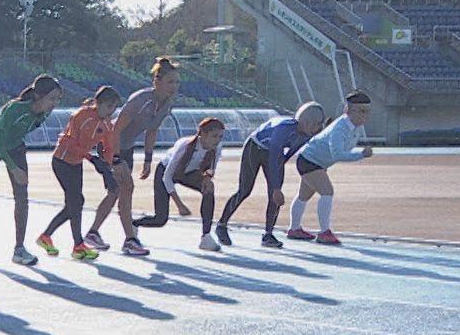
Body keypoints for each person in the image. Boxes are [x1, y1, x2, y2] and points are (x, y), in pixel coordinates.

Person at [83, 55, 181, 257]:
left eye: (177, 82)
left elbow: (152, 131)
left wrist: (147, 159)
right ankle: (129, 239)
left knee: (116, 192)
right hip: (110, 144)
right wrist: (116, 158)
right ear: (157, 81)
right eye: (170, 82)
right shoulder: (141, 100)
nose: (174, 86)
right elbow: (115, 130)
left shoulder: (167, 104)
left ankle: (94, 233)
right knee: (126, 188)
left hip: (126, 148)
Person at [0, 75, 63, 265]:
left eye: (58, 100)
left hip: (15, 145)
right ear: (38, 96)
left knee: (22, 197)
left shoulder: (44, 113)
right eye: (52, 98)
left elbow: (22, 132)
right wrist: (14, 168)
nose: (55, 104)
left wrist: (17, 163)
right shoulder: (15, 109)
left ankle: (19, 249)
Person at [212, 102, 325, 248]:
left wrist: (276, 184)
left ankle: (268, 234)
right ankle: (222, 224)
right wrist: (276, 186)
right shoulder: (283, 128)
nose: (317, 129)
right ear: (306, 122)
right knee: (245, 189)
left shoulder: (306, 134)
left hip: (272, 153)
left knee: (275, 196)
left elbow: (286, 156)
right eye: (316, 125)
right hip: (255, 147)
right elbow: (274, 154)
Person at [38, 84, 125, 261]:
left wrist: (107, 171)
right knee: (76, 201)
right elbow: (68, 142)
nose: (112, 111)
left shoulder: (106, 124)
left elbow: (107, 148)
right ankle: (77, 245)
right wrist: (91, 159)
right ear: (97, 103)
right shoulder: (81, 116)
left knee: (75, 202)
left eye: (114, 107)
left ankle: (47, 237)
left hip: (76, 162)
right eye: (109, 106)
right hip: (62, 161)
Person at [285, 90, 374, 245]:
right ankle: (324, 232)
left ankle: (294, 228)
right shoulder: (340, 129)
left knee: (303, 196)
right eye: (361, 111)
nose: (365, 116)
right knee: (327, 191)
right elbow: (338, 154)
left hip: (315, 161)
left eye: (367, 112)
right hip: (309, 161)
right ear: (348, 110)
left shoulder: (353, 128)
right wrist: (361, 154)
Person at [135, 117, 227, 251]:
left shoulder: (217, 147)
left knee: (209, 188)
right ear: (203, 134)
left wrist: (207, 178)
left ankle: (206, 236)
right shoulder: (184, 146)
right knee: (160, 219)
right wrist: (180, 205)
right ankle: (134, 224)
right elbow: (167, 177)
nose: (218, 140)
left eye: (221, 136)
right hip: (166, 172)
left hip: (189, 173)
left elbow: (211, 168)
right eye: (214, 136)